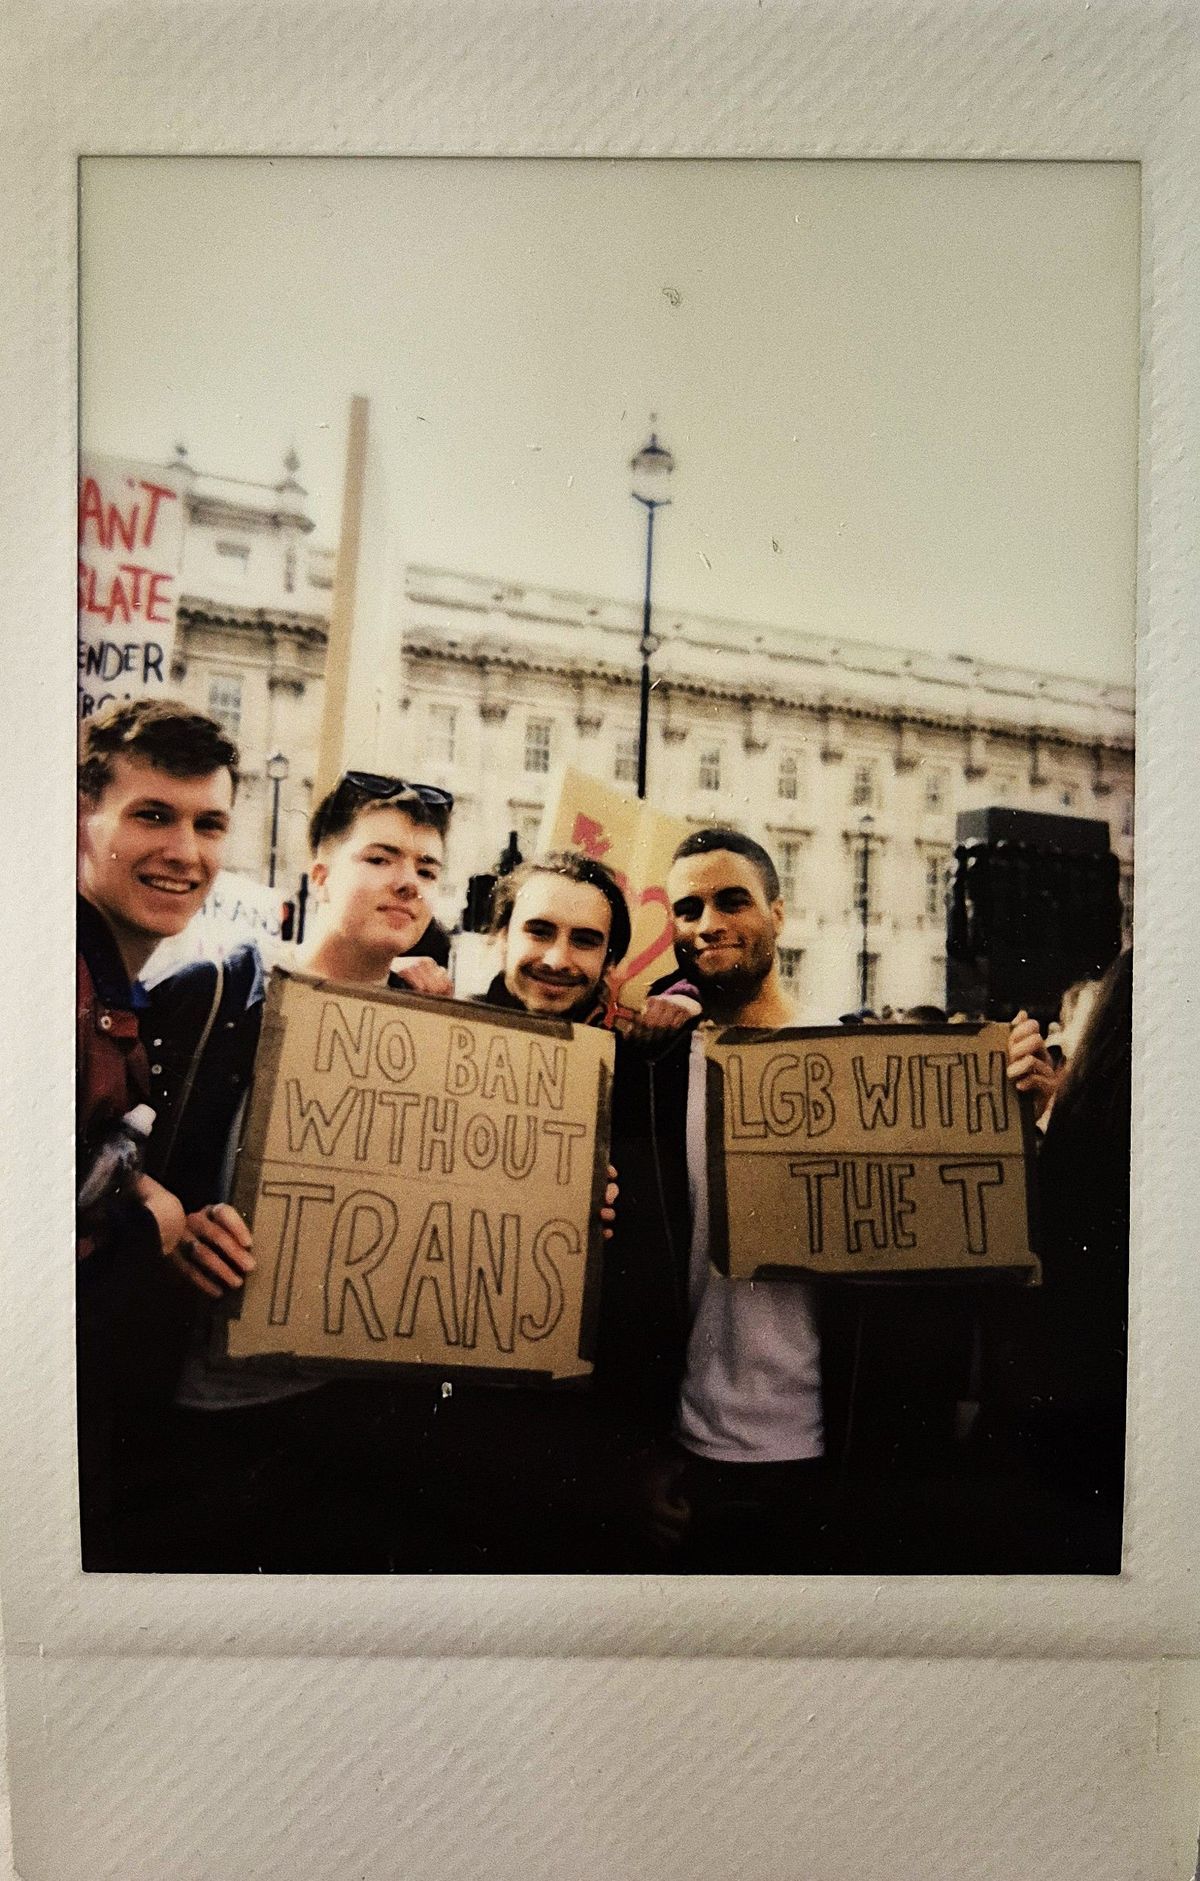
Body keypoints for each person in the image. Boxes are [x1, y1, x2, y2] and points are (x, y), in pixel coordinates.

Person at [75, 697, 249, 1564]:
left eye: (208, 823)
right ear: (79, 816)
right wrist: (152, 1218)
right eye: (152, 815)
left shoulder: (109, 985)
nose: (186, 852)